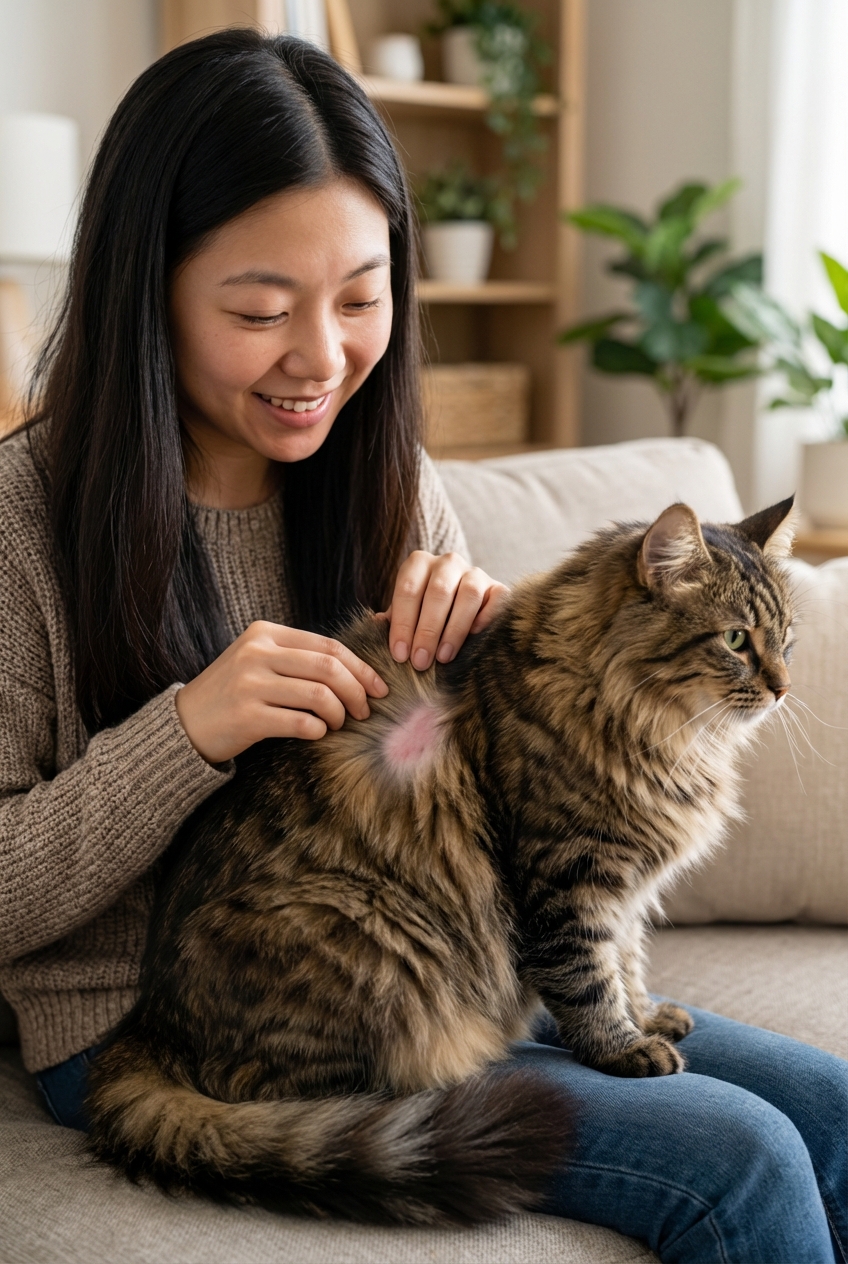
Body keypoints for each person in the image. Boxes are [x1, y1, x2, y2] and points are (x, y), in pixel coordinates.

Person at [0, 29, 844, 1264]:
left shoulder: (388, 483)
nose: (323, 358)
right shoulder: (22, 522)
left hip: (458, 971)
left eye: (359, 298)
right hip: (152, 1029)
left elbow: (506, 802)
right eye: (259, 308)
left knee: (827, 1105)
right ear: (151, 287)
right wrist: (186, 733)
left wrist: (506, 662)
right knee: (744, 1162)